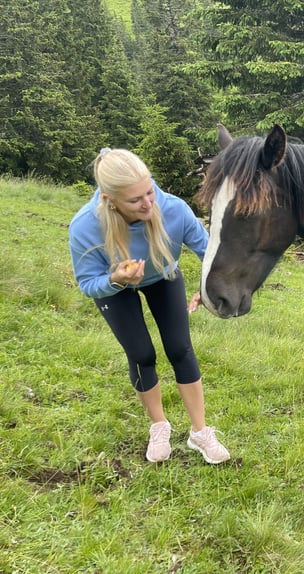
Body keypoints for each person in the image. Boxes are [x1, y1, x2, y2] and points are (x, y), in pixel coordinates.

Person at [69, 147, 230, 464]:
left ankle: (200, 432)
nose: (148, 203)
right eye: (135, 200)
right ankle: (159, 425)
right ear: (108, 199)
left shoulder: (173, 209)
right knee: (142, 354)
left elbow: (210, 253)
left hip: (162, 274)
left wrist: (208, 289)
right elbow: (88, 283)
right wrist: (115, 279)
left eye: (149, 191)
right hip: (116, 285)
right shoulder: (85, 227)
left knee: (180, 349)